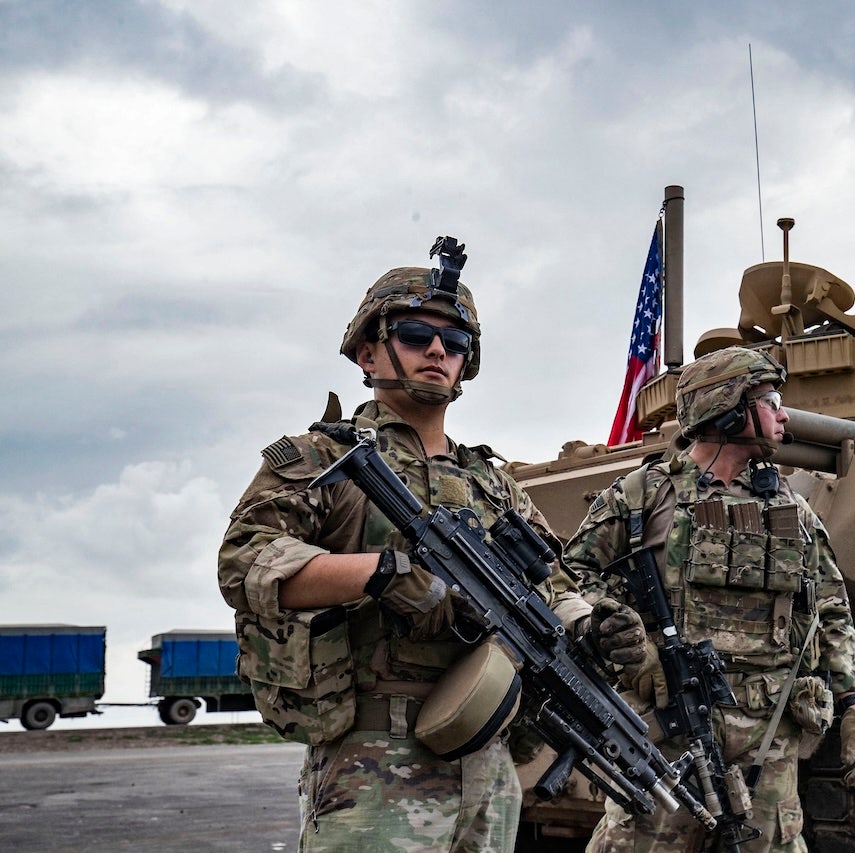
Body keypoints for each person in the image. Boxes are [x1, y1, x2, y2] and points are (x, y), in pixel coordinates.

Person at [217, 240, 640, 852]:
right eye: (417, 334)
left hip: (487, 758)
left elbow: (552, 586)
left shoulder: (491, 483)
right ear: (368, 351)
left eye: (457, 343)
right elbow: (244, 561)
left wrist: (588, 625)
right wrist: (382, 572)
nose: (439, 351)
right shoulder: (319, 459)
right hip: (373, 756)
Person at [564, 345, 855, 853]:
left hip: (768, 736)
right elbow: (571, 575)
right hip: (667, 731)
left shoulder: (790, 509)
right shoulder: (643, 495)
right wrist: (622, 637)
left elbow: (830, 608)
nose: (784, 414)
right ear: (727, 409)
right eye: (771, 400)